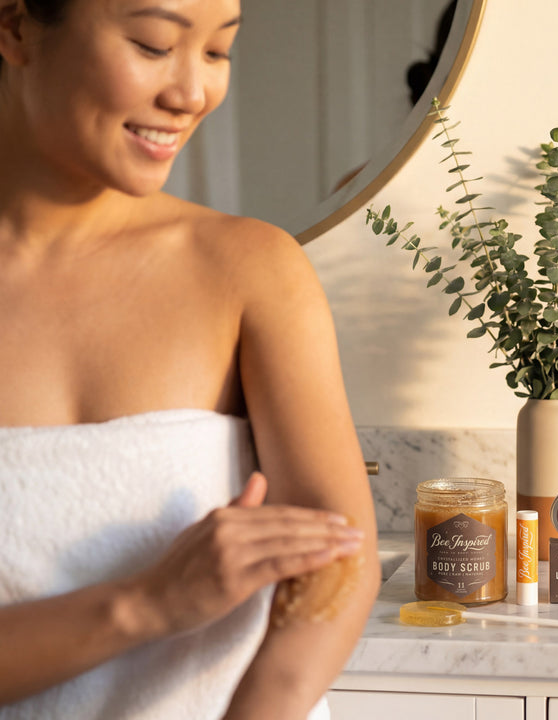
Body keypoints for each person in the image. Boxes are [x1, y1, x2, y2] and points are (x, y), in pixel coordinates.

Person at [0, 0, 380, 718]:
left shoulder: (248, 268)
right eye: (152, 45)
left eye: (217, 52)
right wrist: (143, 605)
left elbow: (340, 547)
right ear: (16, 26)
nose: (191, 93)